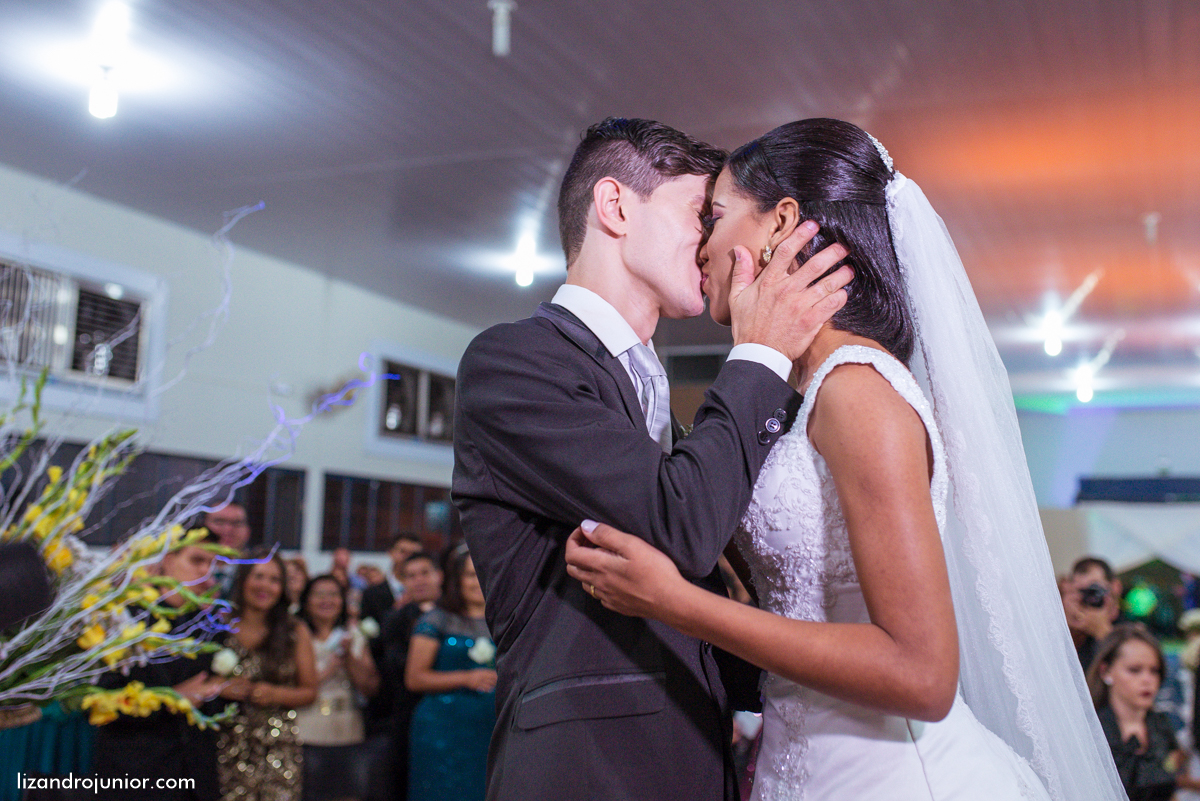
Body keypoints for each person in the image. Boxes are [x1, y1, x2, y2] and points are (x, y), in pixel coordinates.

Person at [564, 119, 1125, 800]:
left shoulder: (857, 389)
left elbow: (922, 674)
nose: (702, 244)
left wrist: (678, 603)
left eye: (715, 216)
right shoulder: (802, 394)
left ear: (781, 223)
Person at [452, 116, 852, 801]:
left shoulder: (655, 388)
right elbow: (681, 524)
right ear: (615, 206)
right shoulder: (514, 361)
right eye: (700, 214)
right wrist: (760, 353)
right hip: (589, 775)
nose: (712, 241)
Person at [92, 531, 227, 800]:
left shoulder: (209, 625)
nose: (205, 572)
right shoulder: (125, 619)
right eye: (196, 560)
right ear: (167, 559)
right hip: (135, 775)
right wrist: (169, 699)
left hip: (194, 777)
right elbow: (95, 703)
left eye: (211, 564)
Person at [216, 550, 318, 801]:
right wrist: (219, 687)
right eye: (258, 576)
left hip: (278, 749)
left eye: (274, 580)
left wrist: (275, 694)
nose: (265, 586)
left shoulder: (295, 630)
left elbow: (310, 691)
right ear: (243, 580)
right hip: (223, 745)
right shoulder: (218, 624)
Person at [404, 546, 495, 801]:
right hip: (443, 727)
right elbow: (414, 678)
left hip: (491, 728)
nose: (478, 581)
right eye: (470, 575)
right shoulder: (437, 619)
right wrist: (466, 678)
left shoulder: (503, 620)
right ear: (457, 580)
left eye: (483, 573)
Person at [1088, 624, 1200, 800]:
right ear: (1106, 671)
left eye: (1154, 671)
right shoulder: (1092, 731)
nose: (1147, 680)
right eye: (1134, 670)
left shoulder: (1161, 725)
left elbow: (1174, 781)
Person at [294, 574, 379, 801]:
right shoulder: (295, 636)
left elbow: (370, 688)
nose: (327, 600)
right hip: (306, 728)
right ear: (306, 601)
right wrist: (328, 670)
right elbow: (291, 684)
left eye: (333, 594)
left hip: (348, 729)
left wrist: (350, 657)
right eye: (319, 594)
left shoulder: (354, 636)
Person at [381, 551, 444, 801]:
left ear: (439, 575)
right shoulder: (395, 618)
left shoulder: (459, 614)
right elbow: (394, 665)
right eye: (411, 576)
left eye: (425, 573)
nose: (419, 580)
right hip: (409, 713)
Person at [1065, 556, 1124, 670]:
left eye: (1094, 589)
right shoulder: (1071, 634)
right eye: (1082, 591)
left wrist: (1102, 631)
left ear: (1115, 587)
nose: (1089, 598)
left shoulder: (1134, 627)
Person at [360, 533, 423, 625]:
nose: (408, 558)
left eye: (413, 554)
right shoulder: (371, 594)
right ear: (391, 552)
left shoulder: (428, 592)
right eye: (403, 552)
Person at [206, 501, 251, 597]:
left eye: (236, 523)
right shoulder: (185, 571)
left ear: (247, 531)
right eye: (219, 522)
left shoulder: (256, 573)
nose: (228, 529)